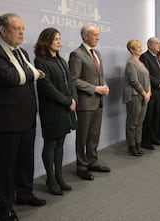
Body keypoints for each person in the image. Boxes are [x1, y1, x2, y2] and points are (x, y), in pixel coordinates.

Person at [0, 13, 46, 221]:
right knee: (7, 165)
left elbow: (24, 82)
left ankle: (25, 194)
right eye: (17, 28)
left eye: (22, 28)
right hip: (7, 120)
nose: (22, 32)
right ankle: (5, 204)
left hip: (27, 118)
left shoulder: (22, 53)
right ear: (3, 30)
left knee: (25, 161)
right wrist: (35, 73)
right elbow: (9, 78)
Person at [34, 27, 77, 195]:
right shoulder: (40, 61)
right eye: (56, 39)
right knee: (50, 144)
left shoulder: (61, 60)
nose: (60, 42)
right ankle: (50, 179)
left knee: (60, 143)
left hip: (66, 109)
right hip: (52, 110)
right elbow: (47, 88)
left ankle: (59, 177)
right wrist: (67, 101)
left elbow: (70, 82)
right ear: (47, 41)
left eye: (60, 38)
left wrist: (73, 99)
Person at [69, 24, 111, 181]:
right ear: (85, 36)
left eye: (98, 34)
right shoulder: (76, 55)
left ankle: (93, 161)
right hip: (85, 103)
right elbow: (73, 80)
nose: (98, 37)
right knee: (83, 136)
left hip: (98, 101)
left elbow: (99, 76)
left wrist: (104, 86)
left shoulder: (97, 53)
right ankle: (81, 165)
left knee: (94, 135)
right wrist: (95, 88)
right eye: (95, 35)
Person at [123, 39, 151, 156]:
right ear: (131, 50)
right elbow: (134, 81)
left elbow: (148, 79)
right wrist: (144, 94)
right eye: (138, 47)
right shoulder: (130, 63)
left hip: (145, 95)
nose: (141, 49)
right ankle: (131, 146)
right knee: (132, 122)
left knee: (140, 122)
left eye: (140, 47)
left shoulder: (142, 63)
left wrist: (148, 92)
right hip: (134, 95)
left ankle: (138, 144)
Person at [140, 37, 160, 150]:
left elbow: (159, 72)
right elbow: (146, 74)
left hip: (159, 92)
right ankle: (145, 140)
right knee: (149, 117)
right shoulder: (144, 57)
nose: (159, 45)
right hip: (151, 91)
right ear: (149, 45)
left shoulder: (156, 57)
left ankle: (153, 137)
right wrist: (159, 83)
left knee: (156, 116)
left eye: (159, 43)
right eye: (156, 43)